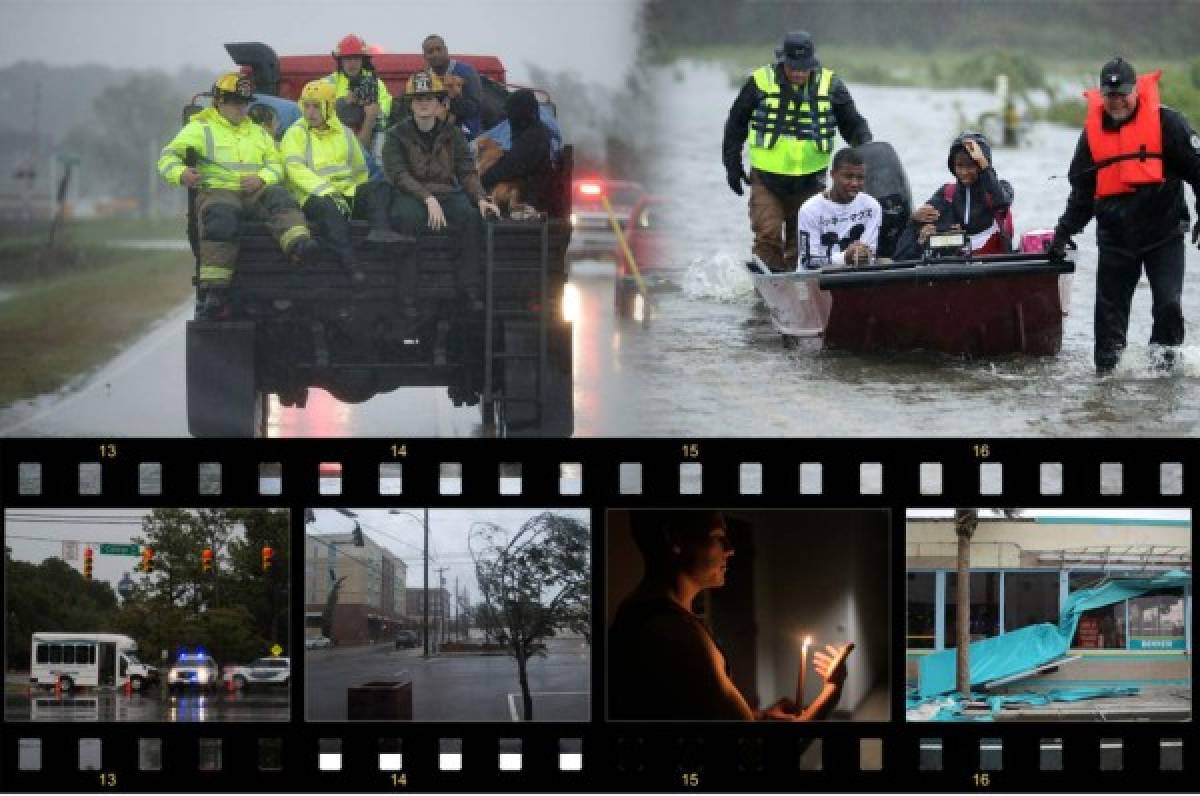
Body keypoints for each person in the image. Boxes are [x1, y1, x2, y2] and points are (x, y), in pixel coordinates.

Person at [608, 511, 853, 721]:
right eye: (717, 537)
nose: (730, 550)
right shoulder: (675, 635)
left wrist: (757, 716)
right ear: (675, 538)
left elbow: (690, 711)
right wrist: (832, 691)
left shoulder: (637, 610)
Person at [1050, 57, 1200, 375]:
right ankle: (1106, 381)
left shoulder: (1169, 125)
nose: (1116, 101)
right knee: (1109, 316)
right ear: (1102, 95)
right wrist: (1063, 233)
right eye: (1110, 95)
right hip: (1116, 238)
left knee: (1168, 304)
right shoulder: (1091, 137)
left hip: (1164, 233)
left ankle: (1165, 372)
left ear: (1135, 92)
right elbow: (1082, 194)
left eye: (1122, 94)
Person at [158, 71, 317, 319]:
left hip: (254, 191)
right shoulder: (200, 128)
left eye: (245, 103)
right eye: (235, 102)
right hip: (217, 191)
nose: (241, 109)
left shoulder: (258, 132)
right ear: (219, 102)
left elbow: (277, 164)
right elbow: (168, 157)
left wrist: (262, 178)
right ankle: (215, 291)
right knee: (221, 217)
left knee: (280, 198)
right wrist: (181, 174)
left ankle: (300, 247)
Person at [722, 31, 873, 272]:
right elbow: (736, 122)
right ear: (783, 62)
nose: (799, 73)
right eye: (793, 68)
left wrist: (866, 149)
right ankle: (766, 295)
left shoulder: (832, 85)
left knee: (803, 242)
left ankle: (798, 290)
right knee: (767, 234)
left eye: (804, 68)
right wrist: (732, 163)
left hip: (811, 181)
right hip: (766, 178)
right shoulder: (760, 81)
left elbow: (853, 124)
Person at [381, 70, 498, 300]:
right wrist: (427, 198)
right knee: (405, 219)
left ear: (439, 103)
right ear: (411, 104)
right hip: (411, 194)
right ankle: (407, 294)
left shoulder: (452, 134)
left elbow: (466, 171)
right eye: (418, 99)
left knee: (470, 217)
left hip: (445, 193)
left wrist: (481, 198)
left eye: (429, 98)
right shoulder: (395, 135)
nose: (423, 104)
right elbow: (398, 174)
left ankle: (469, 290)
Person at [281, 80, 392, 279]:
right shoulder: (295, 133)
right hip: (313, 196)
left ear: (329, 107)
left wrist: (358, 191)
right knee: (329, 209)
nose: (310, 112)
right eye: (306, 106)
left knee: (379, 188)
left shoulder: (344, 132)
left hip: (345, 192)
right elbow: (295, 169)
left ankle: (381, 236)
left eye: (316, 106)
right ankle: (351, 264)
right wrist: (327, 191)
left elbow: (360, 169)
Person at [896, 131, 1014, 260]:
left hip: (993, 261)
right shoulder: (947, 193)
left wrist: (983, 163)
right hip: (957, 260)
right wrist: (914, 219)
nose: (964, 172)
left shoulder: (1001, 188)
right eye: (959, 166)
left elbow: (1002, 202)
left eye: (971, 166)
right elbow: (919, 225)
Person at [796, 147, 881, 267]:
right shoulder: (810, 210)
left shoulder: (872, 206)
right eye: (848, 177)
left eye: (860, 178)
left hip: (857, 278)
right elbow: (808, 262)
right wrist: (844, 258)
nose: (854, 183)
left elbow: (870, 254)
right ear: (832, 175)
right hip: (817, 281)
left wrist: (864, 255)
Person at [479, 89, 555, 215]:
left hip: (526, 197)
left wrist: (480, 181)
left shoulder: (533, 137)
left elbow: (510, 166)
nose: (509, 116)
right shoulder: (526, 131)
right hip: (520, 192)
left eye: (511, 111)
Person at [326, 33, 394, 150]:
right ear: (340, 61)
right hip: (336, 135)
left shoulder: (375, 83)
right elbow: (319, 110)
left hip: (371, 133)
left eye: (356, 58)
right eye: (347, 59)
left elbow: (386, 110)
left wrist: (371, 111)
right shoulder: (329, 82)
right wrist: (344, 103)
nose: (352, 63)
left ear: (363, 60)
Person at [421, 33, 483, 140]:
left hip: (467, 139)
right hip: (435, 140)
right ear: (425, 56)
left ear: (446, 50)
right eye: (430, 51)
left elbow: (475, 107)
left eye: (439, 49)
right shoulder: (424, 77)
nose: (436, 54)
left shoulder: (466, 72)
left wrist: (453, 96)